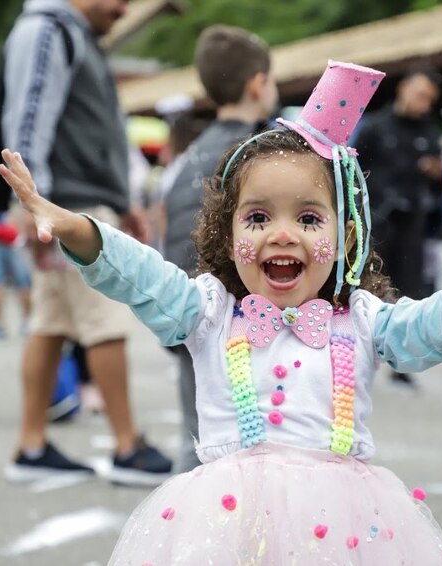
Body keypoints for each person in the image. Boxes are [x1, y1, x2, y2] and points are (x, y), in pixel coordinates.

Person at [0, 60, 442, 564]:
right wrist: (80, 231)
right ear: (226, 234)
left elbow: (437, 328)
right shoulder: (207, 310)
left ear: (345, 234)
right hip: (222, 526)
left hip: (349, 530)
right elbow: (140, 273)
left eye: (307, 218)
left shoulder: (365, 318)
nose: (283, 235)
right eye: (257, 218)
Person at [0, 0, 171, 486]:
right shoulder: (49, 29)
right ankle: (126, 446)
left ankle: (31, 445)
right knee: (104, 319)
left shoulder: (71, 34)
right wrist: (31, 202)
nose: (123, 8)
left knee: (51, 323)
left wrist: (125, 197)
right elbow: (28, 116)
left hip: (69, 203)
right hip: (70, 209)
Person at [162, 25, 278, 474]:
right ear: (257, 84)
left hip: (186, 309)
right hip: (241, 315)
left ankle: (176, 531)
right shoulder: (258, 151)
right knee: (246, 437)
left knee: (197, 433)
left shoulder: (189, 154)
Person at [354, 68, 442, 386]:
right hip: (378, 219)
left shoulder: (430, 132)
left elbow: (439, 183)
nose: (424, 104)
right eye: (420, 95)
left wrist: (436, 173)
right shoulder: (375, 127)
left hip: (413, 221)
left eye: (429, 100)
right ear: (405, 88)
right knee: (370, 285)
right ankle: (357, 353)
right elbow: (355, 169)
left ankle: (401, 363)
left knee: (410, 288)